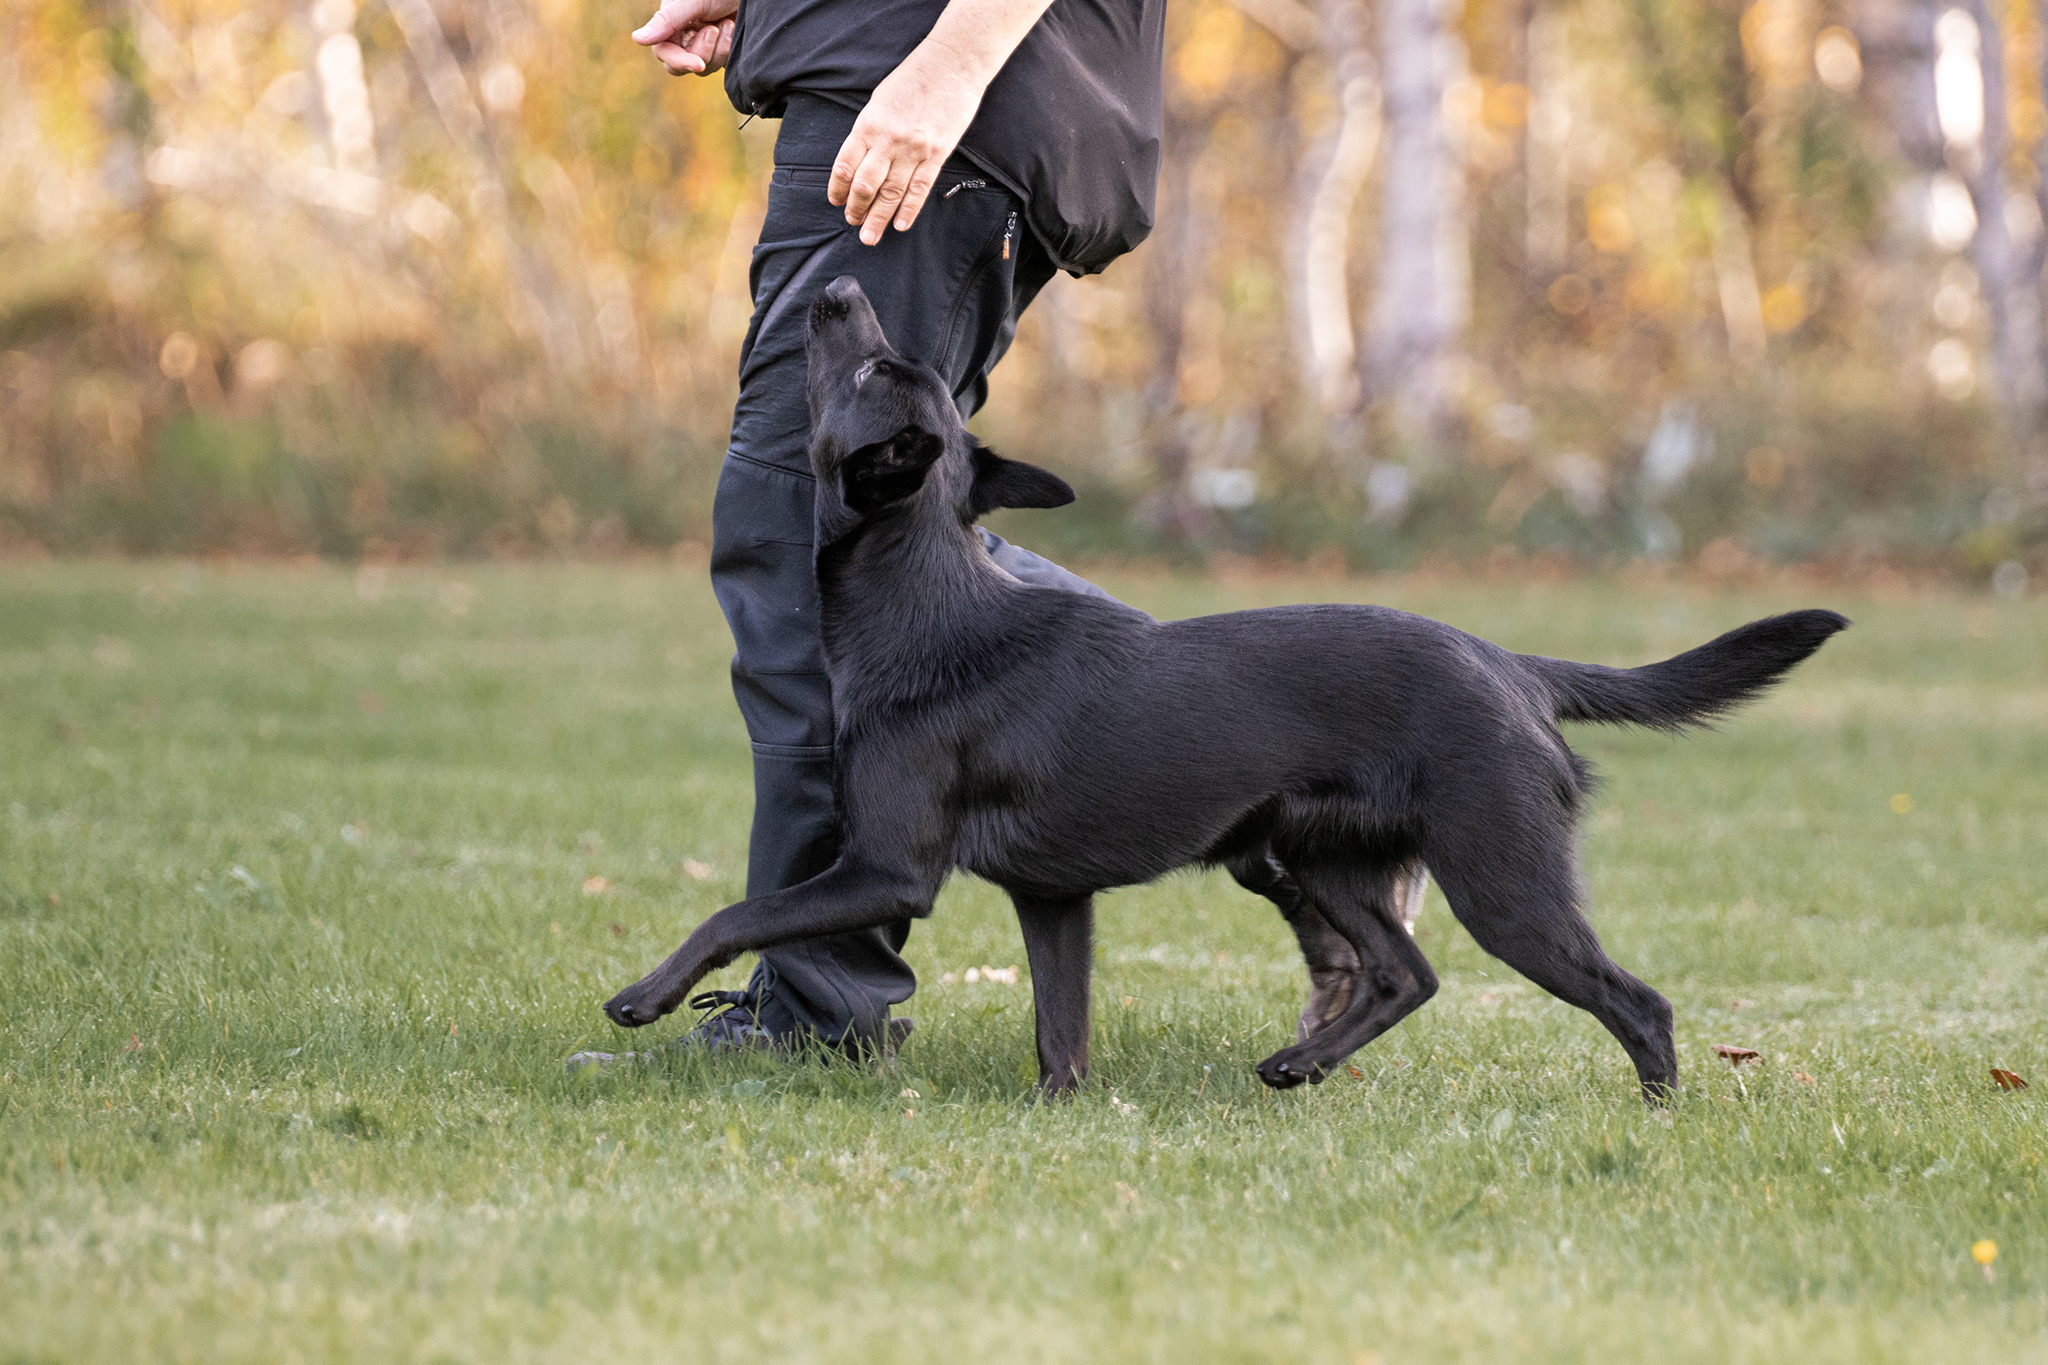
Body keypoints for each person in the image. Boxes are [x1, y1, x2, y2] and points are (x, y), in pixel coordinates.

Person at [619, 0, 1169, 1057]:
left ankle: (817, 1020)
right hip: (914, 86)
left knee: (805, 531)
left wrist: (943, 70)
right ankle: (1272, 745)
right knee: (891, 540)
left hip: (929, 98)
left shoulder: (934, 82)